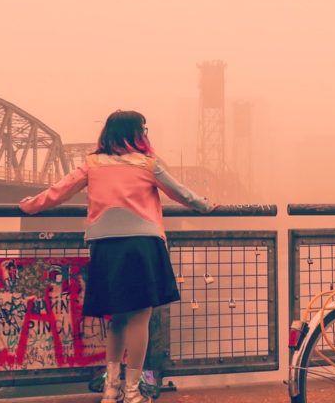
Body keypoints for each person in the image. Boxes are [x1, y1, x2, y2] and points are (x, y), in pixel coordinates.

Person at [18, 110, 214, 403]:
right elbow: (182, 194)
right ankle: (133, 391)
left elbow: (59, 192)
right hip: (142, 246)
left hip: (106, 246)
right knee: (139, 319)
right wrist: (206, 206)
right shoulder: (148, 164)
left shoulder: (93, 163)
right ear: (138, 133)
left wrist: (29, 206)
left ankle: (111, 389)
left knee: (117, 319)